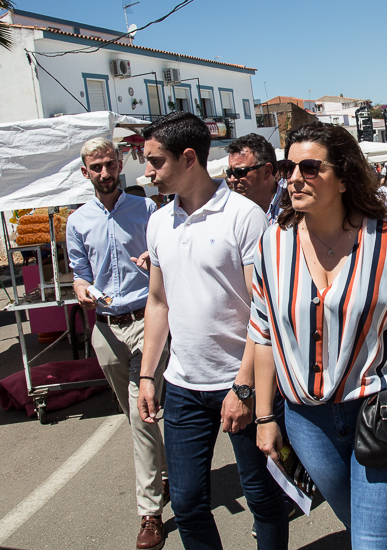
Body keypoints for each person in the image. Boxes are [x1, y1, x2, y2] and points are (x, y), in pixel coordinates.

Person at [250, 122, 387, 549]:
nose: (293, 178)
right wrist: (264, 415)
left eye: (309, 168)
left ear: (343, 178)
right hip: (308, 423)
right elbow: (263, 331)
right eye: (287, 168)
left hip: (385, 409)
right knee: (365, 532)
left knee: (372, 543)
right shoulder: (272, 243)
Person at [135, 111, 290, 550]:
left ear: (188, 159)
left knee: (263, 496)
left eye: (155, 161)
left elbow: (265, 309)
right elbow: (158, 302)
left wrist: (244, 388)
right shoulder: (158, 221)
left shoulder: (244, 217)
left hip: (245, 382)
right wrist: (148, 375)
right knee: (185, 503)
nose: (147, 172)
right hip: (182, 386)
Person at [66, 137, 168, 550]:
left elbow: (167, 258)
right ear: (85, 172)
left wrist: (153, 261)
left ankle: (150, 513)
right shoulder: (77, 221)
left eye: (110, 165)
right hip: (106, 329)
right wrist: (81, 287)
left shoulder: (146, 210)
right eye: (97, 168)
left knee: (141, 412)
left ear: (121, 164)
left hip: (147, 321)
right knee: (135, 416)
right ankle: (162, 472)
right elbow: (78, 271)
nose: (105, 174)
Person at [226, 133, 285, 224]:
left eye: (240, 172)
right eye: (230, 173)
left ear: (266, 171)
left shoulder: (295, 207)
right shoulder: (230, 212)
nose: (232, 179)